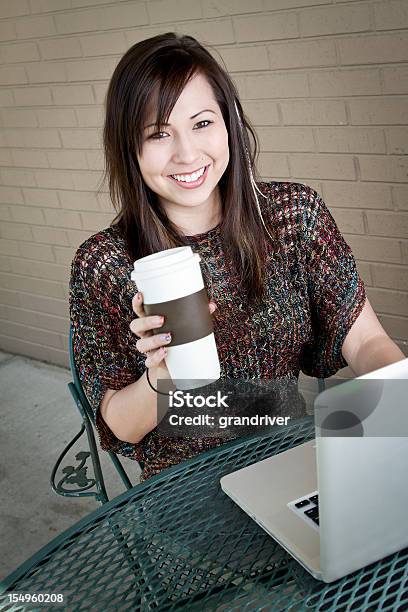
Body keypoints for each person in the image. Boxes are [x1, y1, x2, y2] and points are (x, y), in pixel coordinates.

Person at [69, 32, 404, 482]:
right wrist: (161, 382)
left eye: (202, 123)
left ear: (228, 123)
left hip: (289, 453)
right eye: (157, 133)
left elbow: (364, 341)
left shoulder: (291, 219)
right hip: (181, 487)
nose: (187, 153)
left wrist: (401, 398)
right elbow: (120, 427)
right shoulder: (103, 263)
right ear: (129, 147)